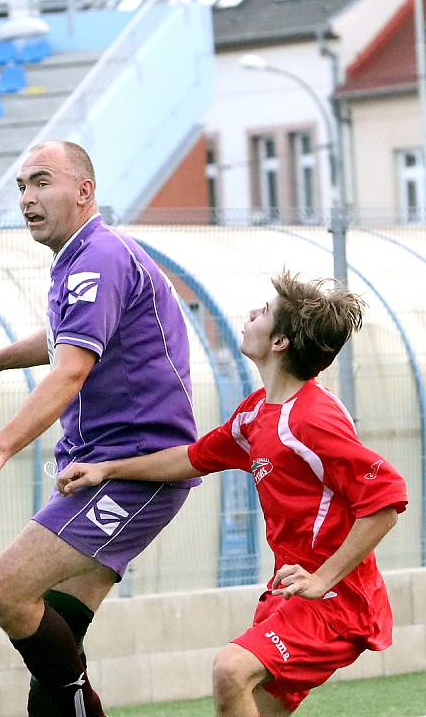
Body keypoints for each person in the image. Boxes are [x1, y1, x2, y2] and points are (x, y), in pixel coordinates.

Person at [57, 271, 408, 717]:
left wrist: (323, 580)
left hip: (335, 601)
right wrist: (106, 468)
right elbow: (192, 457)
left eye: (262, 313)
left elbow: (385, 502)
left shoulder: (311, 419)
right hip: (290, 597)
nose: (250, 315)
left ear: (279, 342)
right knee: (248, 703)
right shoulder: (256, 415)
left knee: (231, 669)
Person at [0, 140, 199, 717]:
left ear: (84, 191)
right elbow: (68, 338)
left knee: (6, 591)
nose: (28, 199)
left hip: (136, 468)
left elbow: (72, 369)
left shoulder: (97, 257)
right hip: (100, 467)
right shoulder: (85, 258)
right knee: (57, 637)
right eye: (21, 187)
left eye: (41, 182)